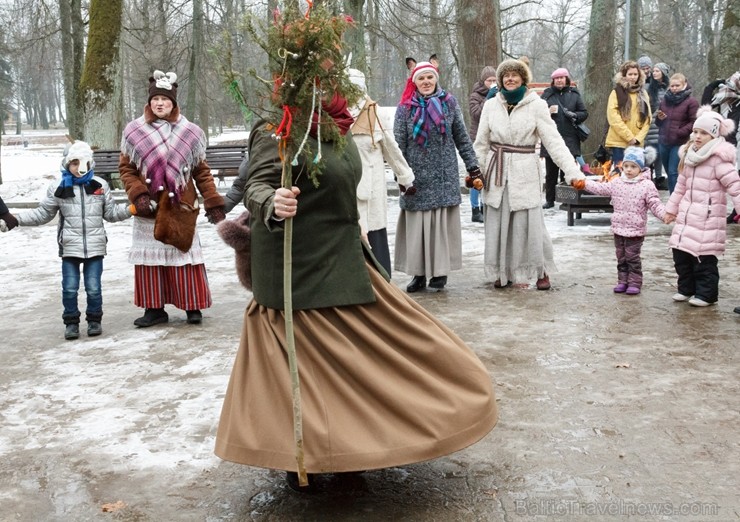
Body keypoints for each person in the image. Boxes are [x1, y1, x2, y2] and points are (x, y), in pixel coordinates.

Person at [214, 96, 497, 493]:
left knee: (357, 360)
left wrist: (358, 226)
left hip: (341, 255)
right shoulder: (276, 128)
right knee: (302, 369)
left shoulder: (337, 127)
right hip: (294, 269)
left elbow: (342, 186)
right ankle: (303, 457)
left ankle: (353, 451)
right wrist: (272, 203)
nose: (330, 84)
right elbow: (255, 185)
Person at [119, 70, 225, 327]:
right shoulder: (134, 131)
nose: (159, 104)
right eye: (156, 99)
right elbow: (127, 170)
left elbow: (201, 170)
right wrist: (139, 195)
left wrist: (212, 200)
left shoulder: (190, 132)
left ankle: (192, 307)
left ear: (174, 103)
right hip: (150, 207)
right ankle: (154, 309)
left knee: (183, 253)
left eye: (165, 100)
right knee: (150, 261)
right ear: (149, 101)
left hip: (181, 205)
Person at [1, 141, 131, 339]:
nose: (79, 167)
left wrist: (132, 209)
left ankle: (94, 320)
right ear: (66, 164)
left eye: (84, 162)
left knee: (93, 288)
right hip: (69, 247)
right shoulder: (58, 188)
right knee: (70, 288)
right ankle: (71, 322)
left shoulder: (100, 186)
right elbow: (43, 214)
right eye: (74, 163)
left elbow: (111, 213)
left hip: (95, 247)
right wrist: (15, 219)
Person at [473, 58, 585, 290]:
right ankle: (504, 273)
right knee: (500, 224)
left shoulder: (536, 104)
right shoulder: (491, 105)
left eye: (516, 75)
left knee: (531, 226)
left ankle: (540, 270)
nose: (510, 78)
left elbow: (554, 142)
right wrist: (476, 171)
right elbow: (481, 143)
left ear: (524, 79)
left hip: (525, 171)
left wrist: (572, 172)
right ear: (501, 80)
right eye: (506, 75)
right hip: (497, 171)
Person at [393, 61, 481, 292]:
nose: (426, 82)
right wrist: (401, 176)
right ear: (415, 82)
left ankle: (440, 273)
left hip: (443, 175)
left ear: (436, 79)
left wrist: (473, 167)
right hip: (415, 178)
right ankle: (419, 274)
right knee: (418, 229)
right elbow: (397, 145)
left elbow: (462, 138)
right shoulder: (404, 108)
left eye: (430, 78)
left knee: (440, 227)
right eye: (421, 78)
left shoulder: (449, 104)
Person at [664, 106, 740, 307]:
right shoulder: (690, 157)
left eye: (704, 133)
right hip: (687, 216)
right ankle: (686, 288)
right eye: (695, 132)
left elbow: (735, 186)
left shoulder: (719, 160)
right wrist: (671, 209)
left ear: (714, 135)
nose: (697, 136)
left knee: (703, 260)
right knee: (680, 253)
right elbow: (680, 187)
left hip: (708, 217)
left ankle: (706, 294)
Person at [571, 147, 667, 295]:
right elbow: (600, 188)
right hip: (618, 228)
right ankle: (622, 281)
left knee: (632, 257)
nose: (629, 170)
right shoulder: (617, 183)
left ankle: (634, 282)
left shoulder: (647, 185)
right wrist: (584, 184)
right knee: (621, 257)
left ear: (640, 168)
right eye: (626, 166)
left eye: (633, 167)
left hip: (635, 229)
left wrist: (665, 215)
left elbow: (654, 203)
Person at [347, 67, 414, 276]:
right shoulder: (331, 113)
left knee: (374, 235)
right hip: (344, 187)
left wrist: (405, 177)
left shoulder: (375, 112)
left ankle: (381, 281)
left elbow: (391, 148)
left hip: (371, 186)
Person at [540, 67, 589, 209]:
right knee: (551, 172)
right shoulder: (547, 95)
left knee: (568, 170)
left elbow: (584, 113)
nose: (560, 80)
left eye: (562, 78)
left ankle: (566, 199)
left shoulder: (574, 94)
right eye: (557, 78)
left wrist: (574, 115)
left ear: (567, 79)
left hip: (570, 137)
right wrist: (547, 112)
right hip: (551, 137)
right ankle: (550, 200)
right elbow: (537, 113)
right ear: (553, 80)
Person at [656, 73, 698, 194]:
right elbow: (658, 123)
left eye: (677, 85)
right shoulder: (665, 100)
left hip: (679, 142)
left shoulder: (691, 102)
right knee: (669, 172)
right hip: (663, 141)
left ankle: (675, 201)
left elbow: (694, 123)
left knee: (674, 172)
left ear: (684, 85)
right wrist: (660, 118)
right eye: (672, 86)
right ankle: (673, 199)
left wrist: (679, 132)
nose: (674, 88)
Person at [605, 60, 652, 165]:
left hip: (637, 144)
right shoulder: (616, 92)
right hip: (619, 143)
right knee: (619, 174)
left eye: (635, 74)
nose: (633, 77)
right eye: (630, 74)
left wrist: (638, 139)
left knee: (636, 175)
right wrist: (629, 137)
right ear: (624, 75)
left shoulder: (643, 93)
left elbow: (648, 119)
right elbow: (613, 117)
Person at [468, 65, 498, 222]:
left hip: (493, 139)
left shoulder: (499, 95)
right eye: (489, 80)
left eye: (494, 80)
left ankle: (486, 206)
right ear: (483, 81)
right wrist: (488, 99)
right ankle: (475, 209)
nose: (492, 83)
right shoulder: (475, 95)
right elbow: (476, 114)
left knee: (490, 175)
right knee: (476, 174)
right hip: (477, 139)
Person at [646, 62, 671, 187]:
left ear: (663, 73)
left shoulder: (669, 88)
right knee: (650, 149)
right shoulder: (649, 88)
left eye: (657, 71)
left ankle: (659, 176)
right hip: (651, 122)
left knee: (660, 151)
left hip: (664, 123)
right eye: (653, 71)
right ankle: (648, 175)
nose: (654, 73)